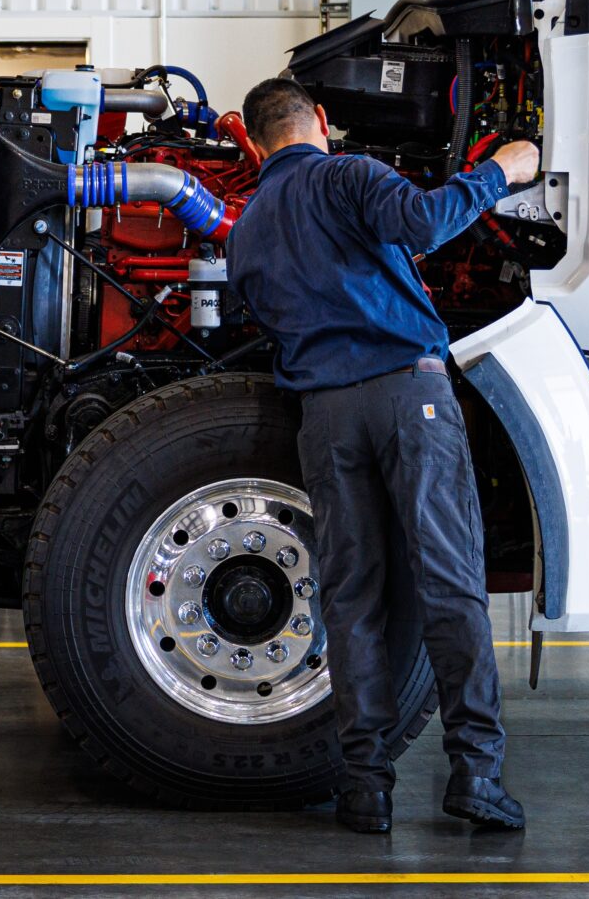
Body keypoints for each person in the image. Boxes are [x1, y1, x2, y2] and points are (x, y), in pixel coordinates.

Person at [225, 75, 542, 835]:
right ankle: (476, 773)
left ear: (254, 144)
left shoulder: (246, 229)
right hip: (408, 398)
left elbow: (260, 315)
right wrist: (503, 170)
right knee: (449, 581)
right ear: (321, 119)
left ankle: (365, 787)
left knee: (351, 597)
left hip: (325, 418)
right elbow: (426, 223)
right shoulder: (347, 175)